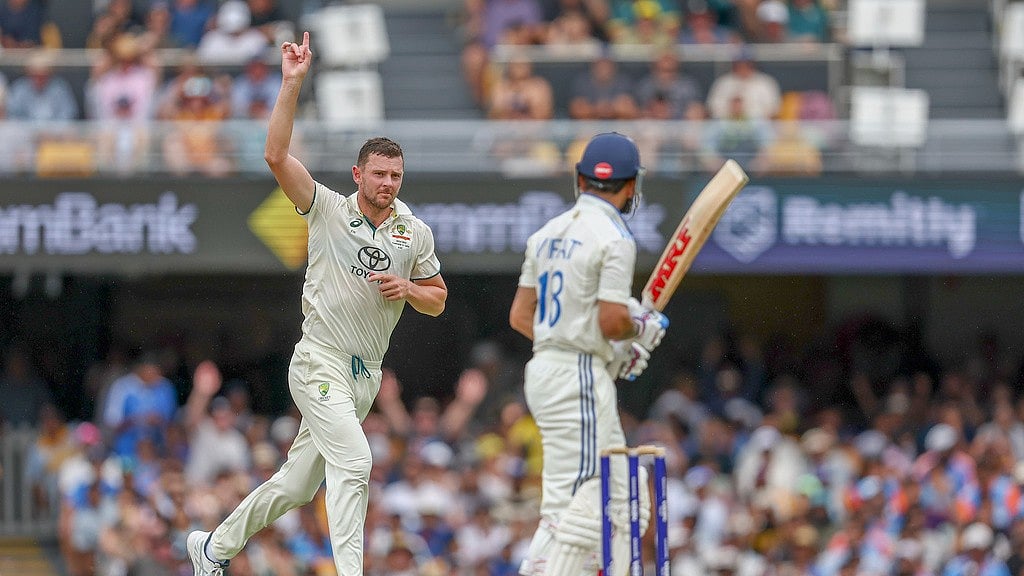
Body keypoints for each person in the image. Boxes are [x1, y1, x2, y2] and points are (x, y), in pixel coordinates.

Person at [187, 31, 448, 576]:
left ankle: (211, 549)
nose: (388, 183)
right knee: (354, 462)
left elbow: (438, 300)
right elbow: (275, 154)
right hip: (319, 361)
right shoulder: (326, 208)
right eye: (378, 174)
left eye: (396, 176)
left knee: (297, 484)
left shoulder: (413, 232)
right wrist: (292, 83)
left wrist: (411, 290)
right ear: (358, 175)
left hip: (365, 377)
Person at [508, 131, 669, 575]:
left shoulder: (546, 234)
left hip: (550, 368)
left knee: (622, 494)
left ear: (580, 180)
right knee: (576, 498)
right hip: (576, 374)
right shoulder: (614, 236)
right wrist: (640, 329)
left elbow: (524, 316)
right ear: (631, 186)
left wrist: (609, 354)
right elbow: (612, 320)